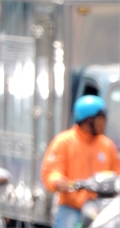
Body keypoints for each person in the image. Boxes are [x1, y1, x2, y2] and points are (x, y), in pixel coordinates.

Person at [41, 95, 120, 228]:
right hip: (72, 207)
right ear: (89, 119)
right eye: (102, 118)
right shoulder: (64, 141)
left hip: (101, 206)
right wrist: (59, 181)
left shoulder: (106, 145)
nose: (105, 122)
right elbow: (51, 171)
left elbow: (117, 171)